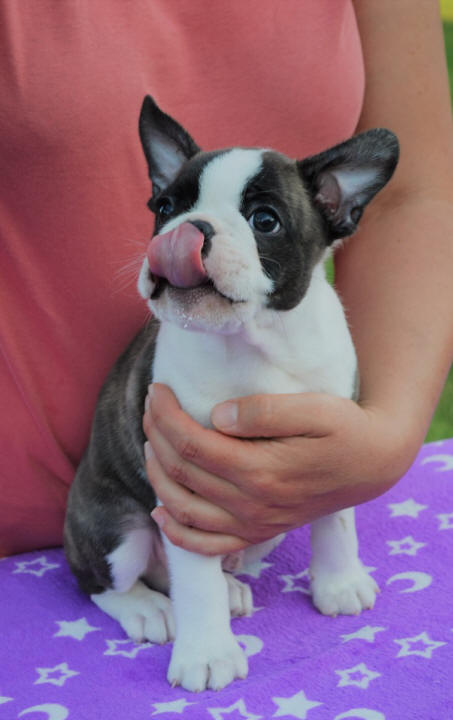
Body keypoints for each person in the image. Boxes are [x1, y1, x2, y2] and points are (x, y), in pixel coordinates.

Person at [1, 1, 453, 558]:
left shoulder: (328, 344)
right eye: (172, 207)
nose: (192, 236)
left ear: (336, 208)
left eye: (264, 220)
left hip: (260, 537)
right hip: (44, 513)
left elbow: (413, 196)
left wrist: (384, 441)